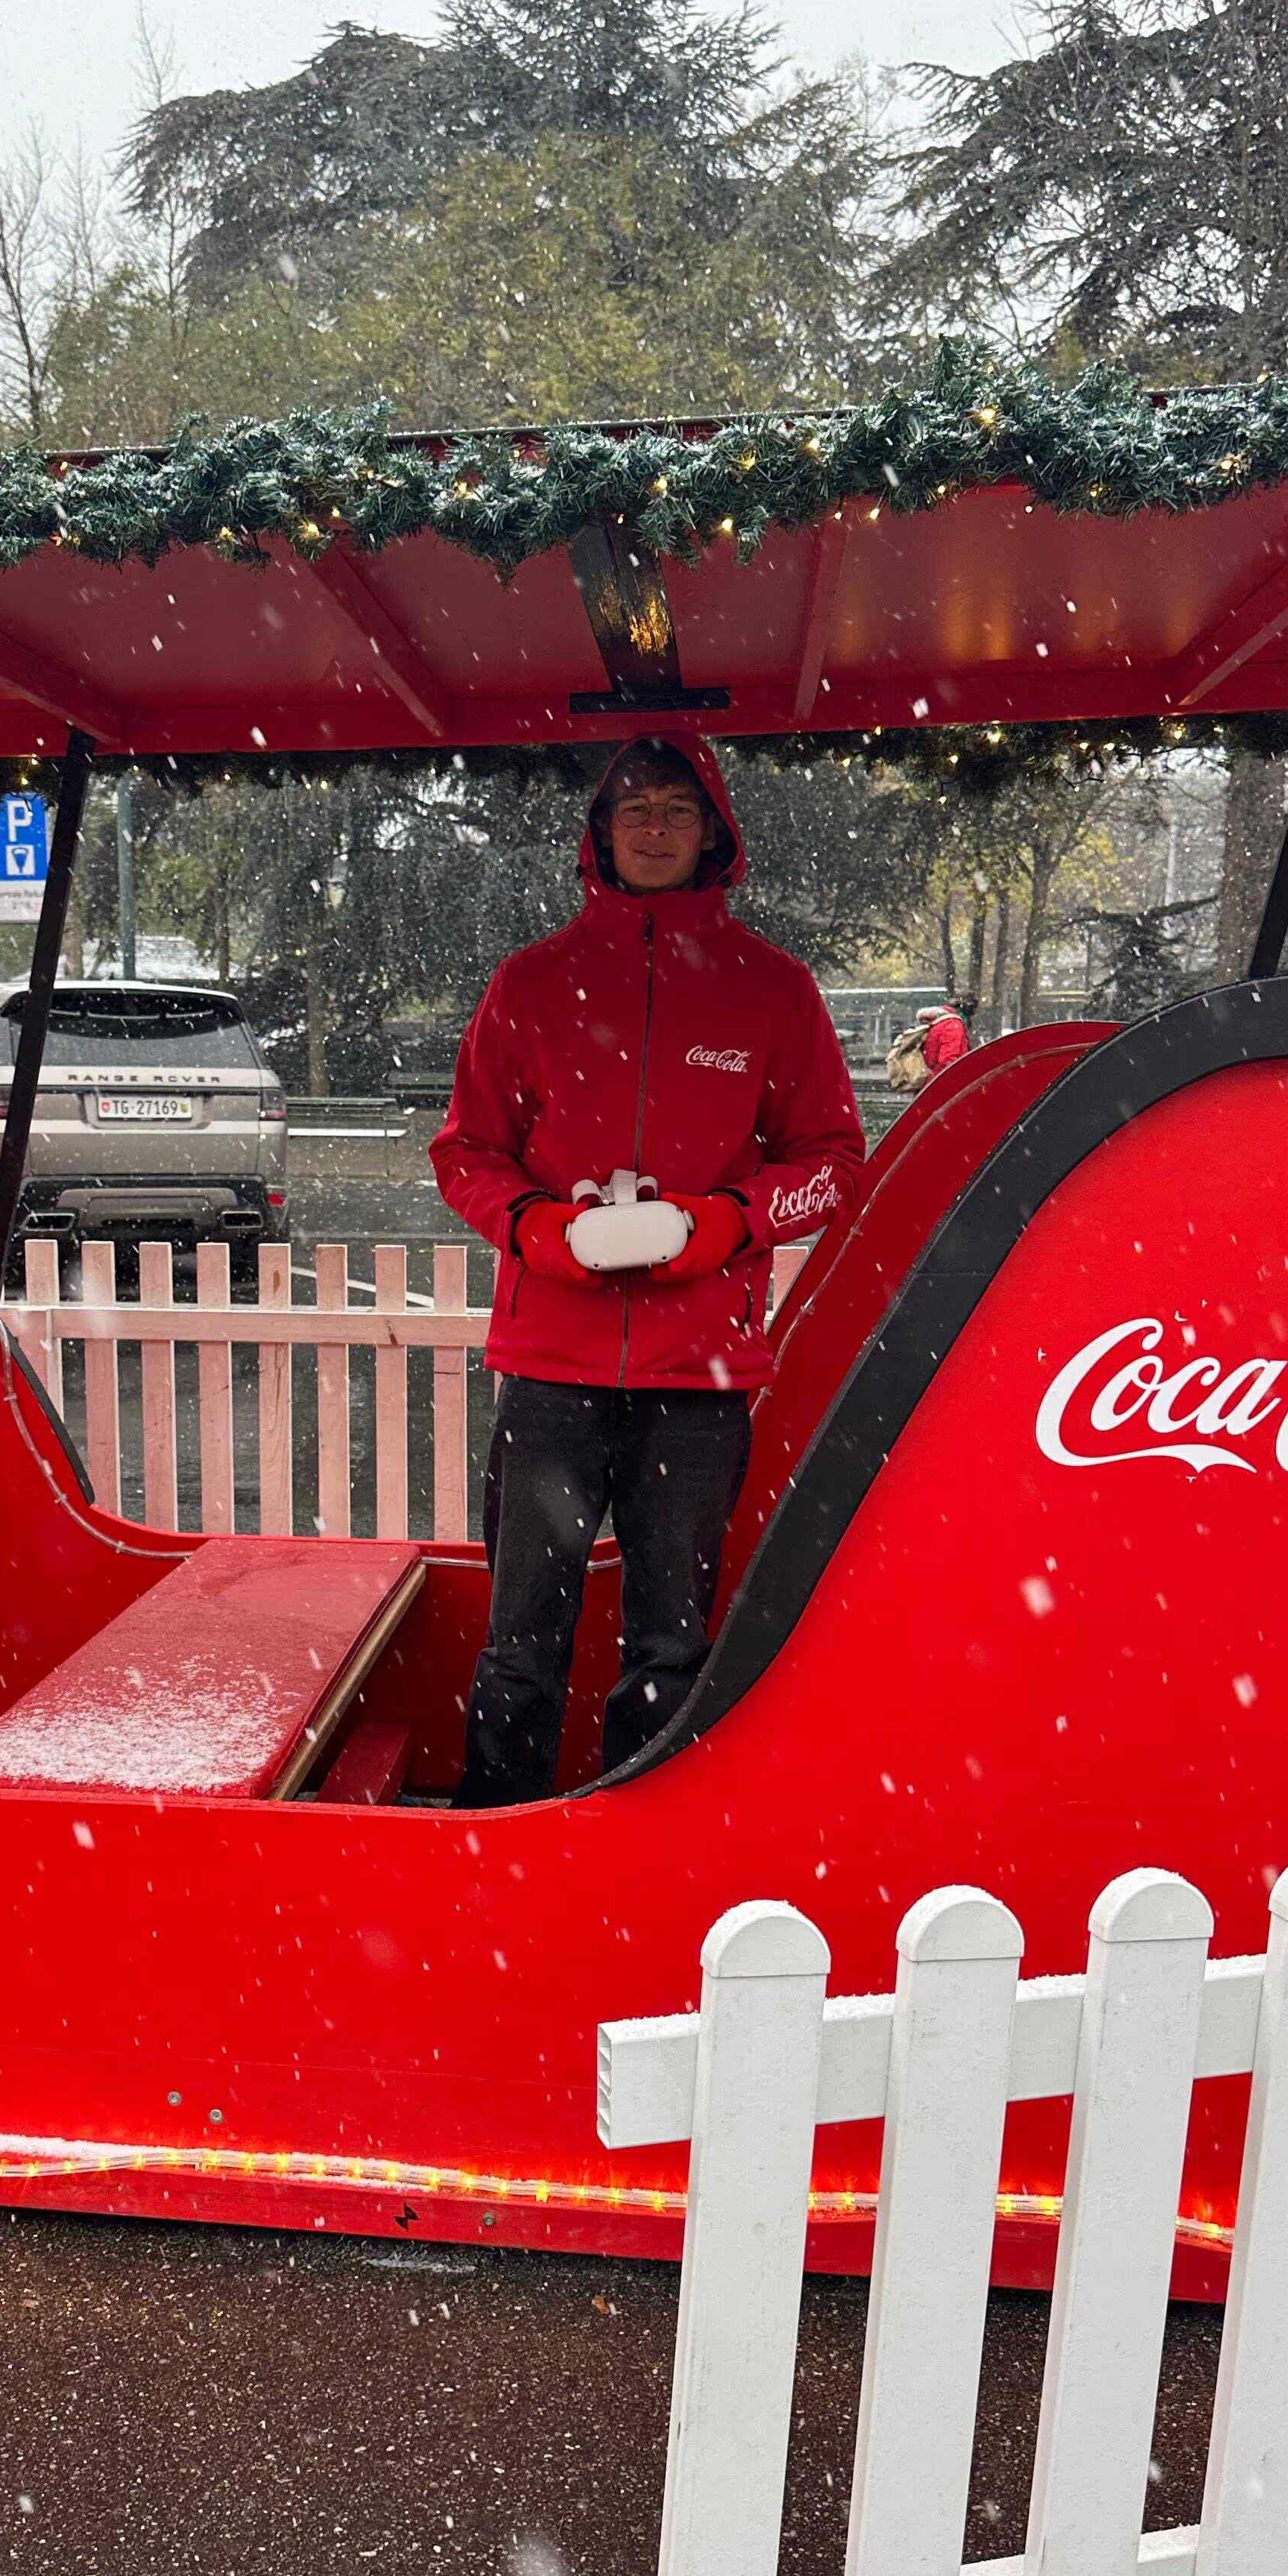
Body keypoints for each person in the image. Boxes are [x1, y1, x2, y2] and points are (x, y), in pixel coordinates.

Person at [431, 737, 864, 1807]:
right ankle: (494, 1839)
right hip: (552, 1373)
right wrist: (538, 1229)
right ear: (603, 833)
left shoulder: (774, 991)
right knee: (521, 1639)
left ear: (714, 833)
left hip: (697, 1384)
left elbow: (831, 1165)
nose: (656, 827)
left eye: (677, 808)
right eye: (636, 810)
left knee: (673, 1644)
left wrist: (717, 1225)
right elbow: (464, 1153)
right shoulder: (529, 984)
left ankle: (638, 1848)